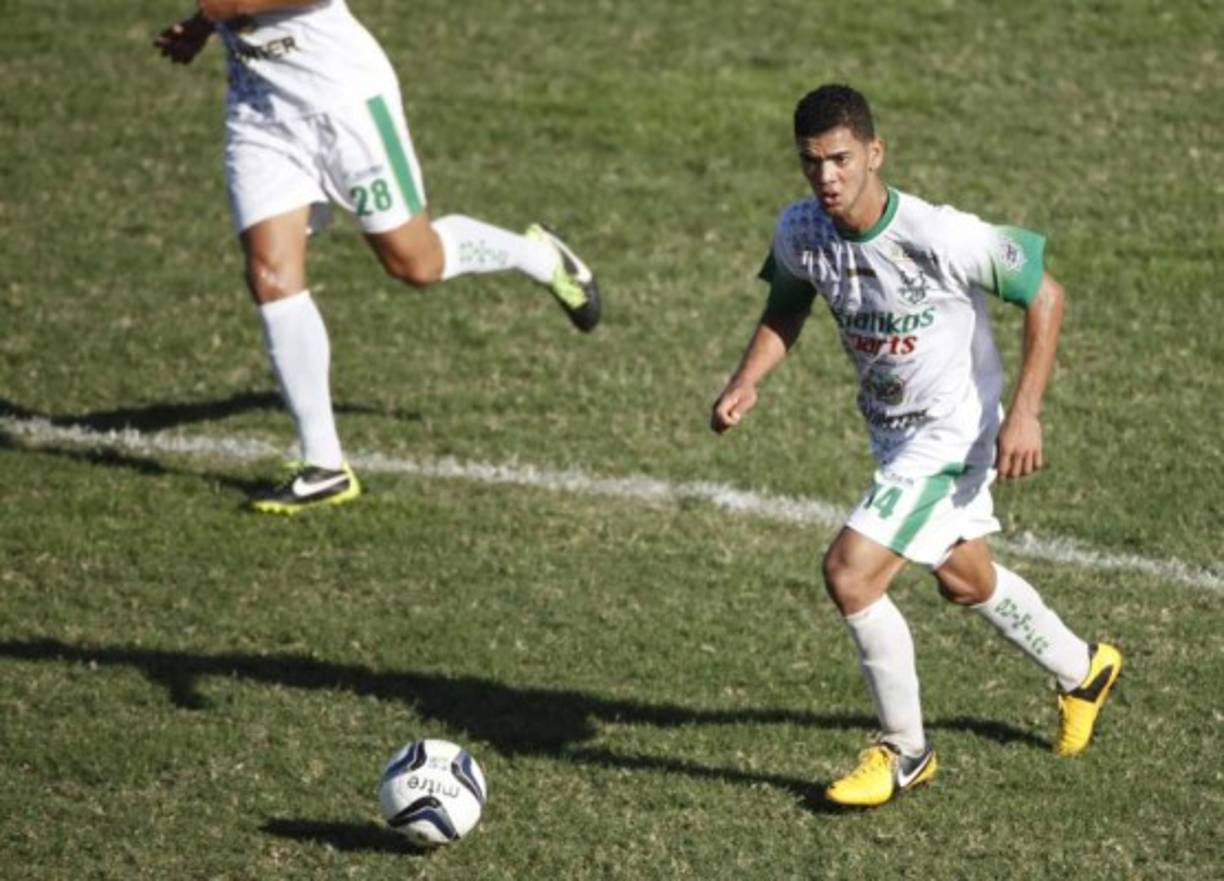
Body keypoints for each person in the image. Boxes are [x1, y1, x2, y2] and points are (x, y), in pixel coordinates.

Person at [710, 84, 1121, 808]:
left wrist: (1024, 412)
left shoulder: (939, 234)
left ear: (875, 152)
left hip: (953, 434)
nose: (827, 178)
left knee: (850, 572)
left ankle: (904, 750)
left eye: (841, 159)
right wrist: (748, 380)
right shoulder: (801, 228)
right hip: (893, 434)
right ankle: (1082, 667)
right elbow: (787, 302)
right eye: (812, 163)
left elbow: (1045, 293)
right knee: (964, 577)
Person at [155, 1, 601, 514]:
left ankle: (537, 255)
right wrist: (201, 25)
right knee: (269, 275)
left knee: (415, 264)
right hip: (260, 110)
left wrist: (224, 8)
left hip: (344, 102)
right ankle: (324, 466)